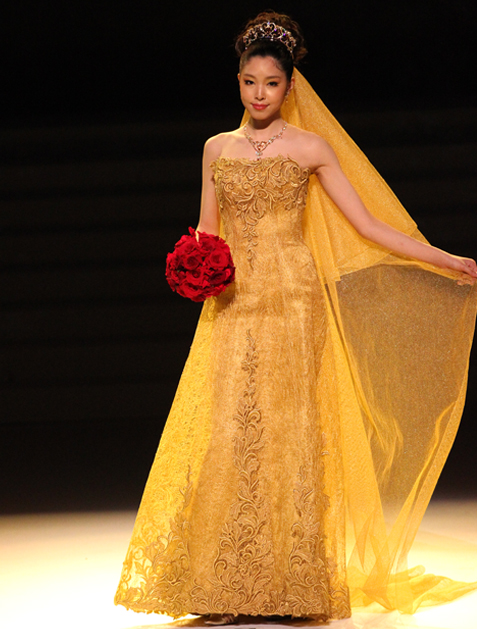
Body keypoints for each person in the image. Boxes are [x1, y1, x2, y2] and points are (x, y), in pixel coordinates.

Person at [115, 11, 477, 625]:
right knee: (231, 428)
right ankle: (222, 587)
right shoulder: (216, 148)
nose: (259, 94)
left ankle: (294, 587)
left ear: (289, 86)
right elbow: (207, 227)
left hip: (294, 299)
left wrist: (443, 259)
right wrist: (192, 263)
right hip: (235, 300)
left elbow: (368, 225)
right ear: (237, 80)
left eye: (272, 83)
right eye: (249, 82)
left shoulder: (310, 147)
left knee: (292, 429)